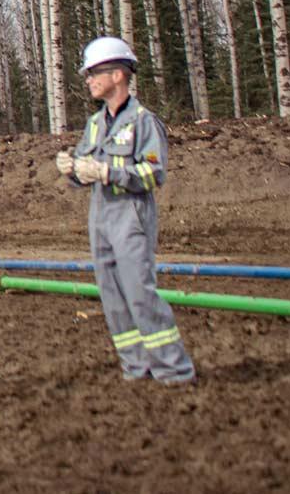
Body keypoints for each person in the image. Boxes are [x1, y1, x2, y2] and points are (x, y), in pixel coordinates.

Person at [53, 37, 196, 384]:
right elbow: (86, 168)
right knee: (113, 297)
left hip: (130, 214)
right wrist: (73, 169)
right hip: (101, 215)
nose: (88, 80)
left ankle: (174, 370)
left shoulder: (144, 122)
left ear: (117, 75)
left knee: (138, 292)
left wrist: (107, 172)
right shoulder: (95, 124)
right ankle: (136, 366)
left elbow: (153, 173)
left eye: (93, 74)